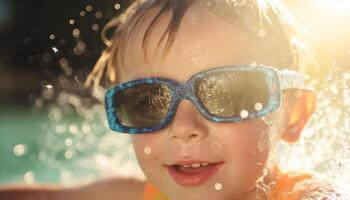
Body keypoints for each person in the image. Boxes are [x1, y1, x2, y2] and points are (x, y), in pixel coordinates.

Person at [0, 0, 347, 199]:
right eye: (148, 100)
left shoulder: (301, 195)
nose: (184, 128)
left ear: (293, 114)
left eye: (225, 93)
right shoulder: (136, 195)